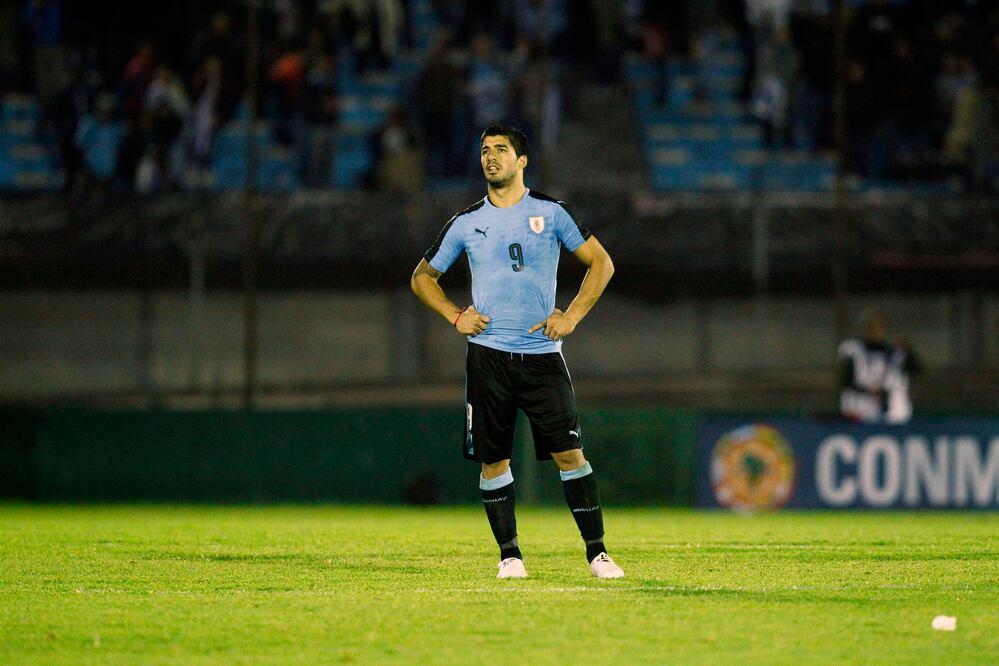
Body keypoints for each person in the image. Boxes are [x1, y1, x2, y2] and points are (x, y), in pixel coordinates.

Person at [410, 123, 623, 579]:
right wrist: (454, 315)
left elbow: (601, 263)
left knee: (571, 456)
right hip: (487, 357)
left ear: (521, 160)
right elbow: (422, 276)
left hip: (543, 356)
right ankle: (510, 556)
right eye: (485, 150)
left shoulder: (552, 213)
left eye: (501, 150)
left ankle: (598, 553)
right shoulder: (465, 222)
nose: (491, 157)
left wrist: (571, 316)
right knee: (495, 460)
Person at [838, 309, 920, 424]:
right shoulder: (852, 350)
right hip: (860, 410)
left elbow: (916, 371)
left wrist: (909, 352)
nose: (876, 330)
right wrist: (867, 391)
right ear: (864, 329)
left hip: (889, 412)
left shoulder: (892, 351)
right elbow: (844, 380)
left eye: (879, 326)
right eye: (871, 326)